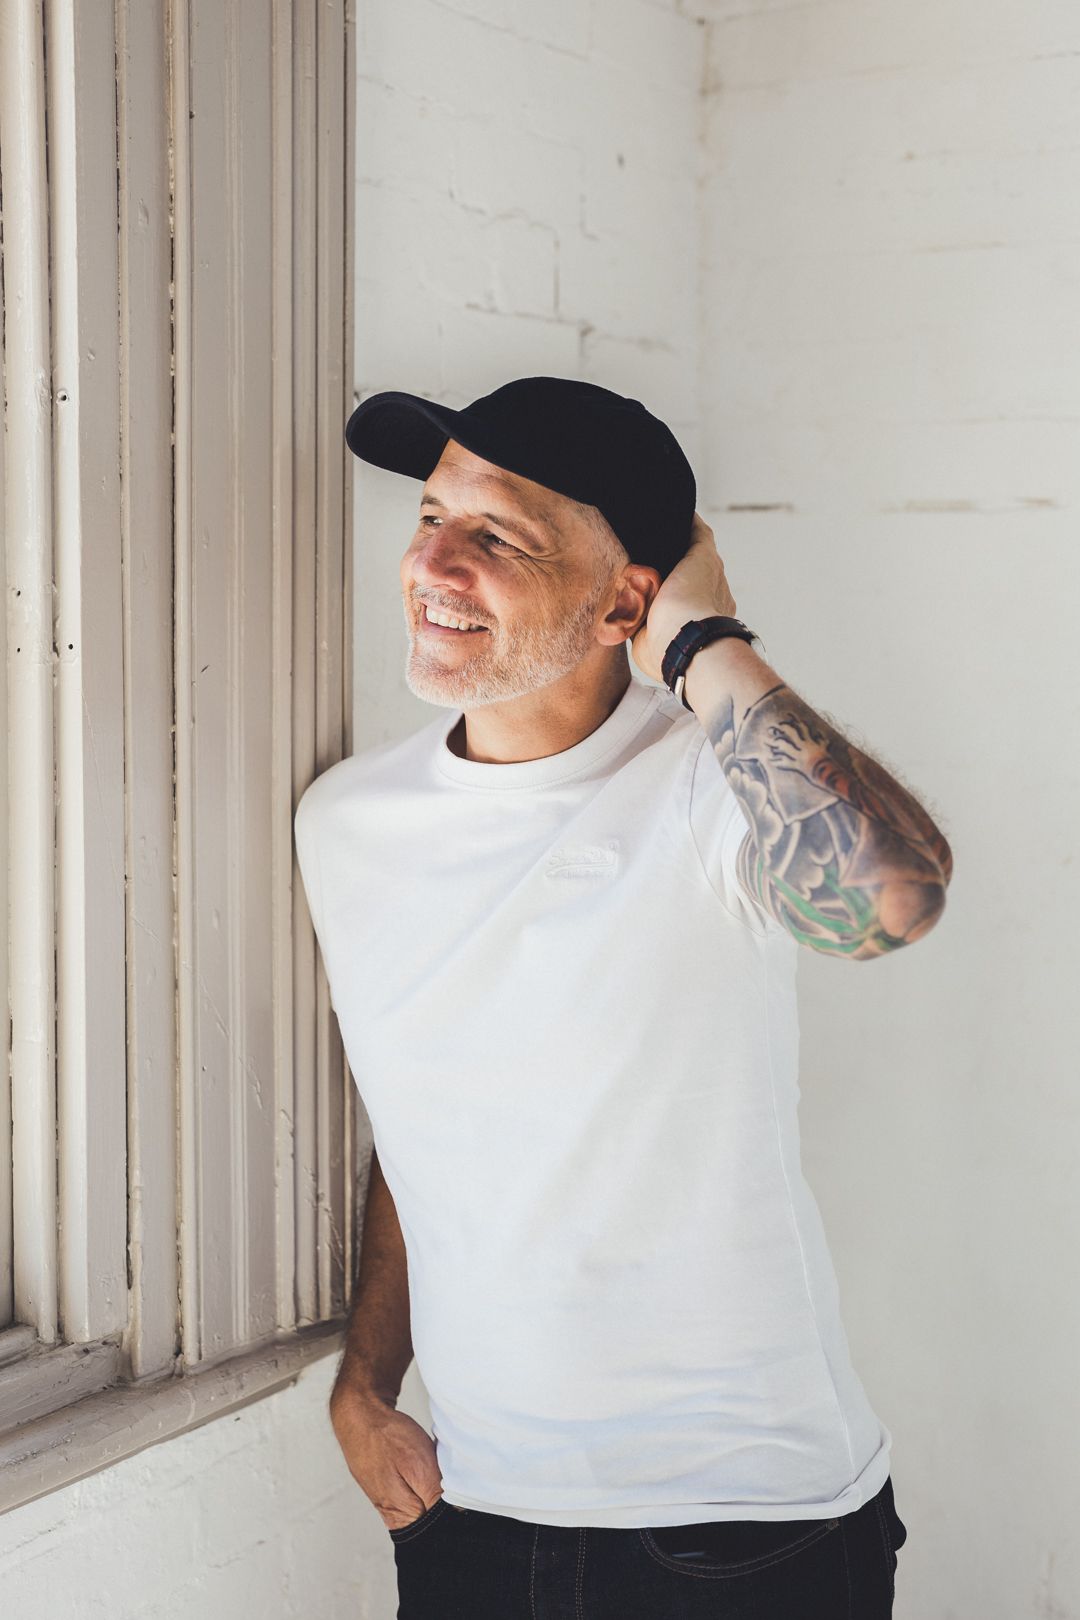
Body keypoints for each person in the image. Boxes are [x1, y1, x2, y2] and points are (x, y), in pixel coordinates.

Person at [294, 376, 946, 1618]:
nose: (431, 564)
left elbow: (889, 902)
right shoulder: (345, 823)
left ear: (623, 603)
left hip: (743, 1529)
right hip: (475, 1512)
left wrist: (702, 641)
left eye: (498, 538)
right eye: (431, 516)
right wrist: (365, 1380)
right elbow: (425, 1118)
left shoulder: (711, 791)